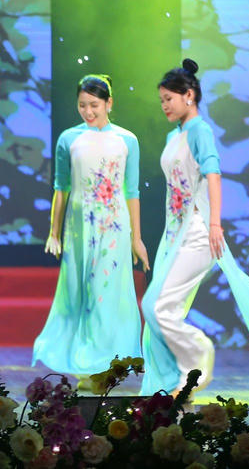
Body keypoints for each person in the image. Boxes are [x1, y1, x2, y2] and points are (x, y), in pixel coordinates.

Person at [140, 58, 249, 393]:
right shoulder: (174, 135)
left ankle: (197, 357)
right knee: (156, 308)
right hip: (176, 233)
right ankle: (175, 382)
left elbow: (213, 175)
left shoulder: (200, 130)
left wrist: (214, 225)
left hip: (198, 232)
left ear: (189, 96)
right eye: (162, 100)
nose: (164, 105)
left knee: (157, 306)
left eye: (169, 98)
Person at [32, 74, 146, 375]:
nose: (88, 111)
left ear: (109, 103)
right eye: (82, 105)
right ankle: (86, 358)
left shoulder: (127, 140)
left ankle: (101, 361)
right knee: (79, 290)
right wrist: (54, 232)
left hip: (114, 226)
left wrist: (136, 238)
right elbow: (61, 188)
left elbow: (132, 192)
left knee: (104, 289)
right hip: (79, 226)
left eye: (94, 105)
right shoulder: (69, 139)